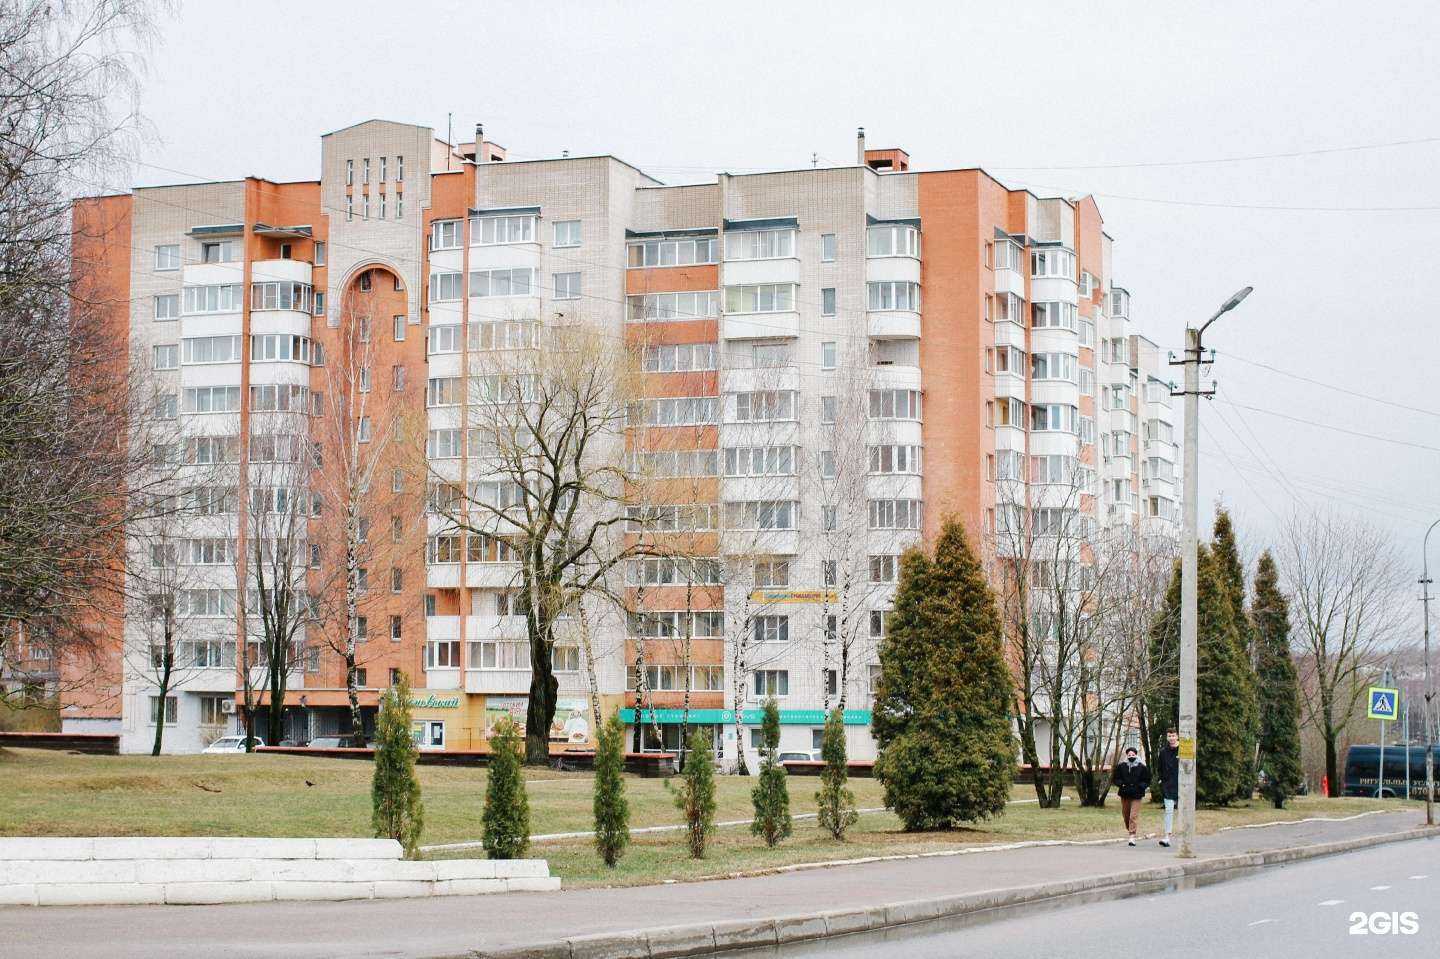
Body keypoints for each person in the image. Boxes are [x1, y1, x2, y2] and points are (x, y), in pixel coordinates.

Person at [1112, 746, 1150, 846]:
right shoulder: (1121, 766)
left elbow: (1147, 780)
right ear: (1126, 755)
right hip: (1125, 794)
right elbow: (1116, 778)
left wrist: (1141, 786)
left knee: (1133, 816)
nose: (1131, 756)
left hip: (1137, 794)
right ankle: (1130, 829)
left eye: (1133, 755)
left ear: (1136, 755)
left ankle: (1132, 836)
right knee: (1126, 815)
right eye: (1129, 755)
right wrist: (1121, 784)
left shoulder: (1142, 767)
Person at [1157, 729, 1180, 848]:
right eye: (1169, 736)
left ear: (1177, 736)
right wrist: (1162, 779)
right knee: (1169, 811)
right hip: (1168, 786)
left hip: (1183, 785)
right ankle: (1167, 837)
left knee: (1184, 811)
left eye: (1173, 736)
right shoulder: (1163, 752)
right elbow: (1159, 768)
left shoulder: (1183, 749)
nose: (1171, 738)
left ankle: (1186, 836)